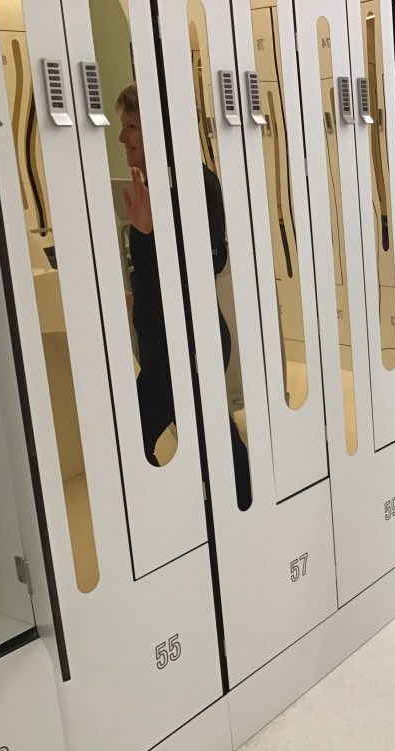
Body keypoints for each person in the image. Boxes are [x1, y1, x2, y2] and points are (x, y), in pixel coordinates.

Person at [116, 83, 252, 509]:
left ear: (158, 131)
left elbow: (208, 261)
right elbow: (154, 268)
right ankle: (236, 517)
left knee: (131, 441)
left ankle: (185, 526)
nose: (122, 138)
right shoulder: (152, 185)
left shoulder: (196, 182)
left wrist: (149, 232)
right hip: (166, 345)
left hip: (191, 346)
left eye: (132, 126)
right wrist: (141, 284)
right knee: (213, 441)